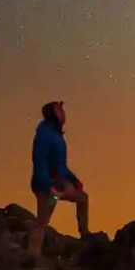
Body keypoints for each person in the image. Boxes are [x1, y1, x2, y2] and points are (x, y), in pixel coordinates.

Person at [29, 99, 89, 254]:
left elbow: (61, 167)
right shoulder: (45, 135)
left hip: (59, 184)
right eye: (60, 110)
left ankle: (85, 234)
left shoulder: (57, 136)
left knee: (82, 197)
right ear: (54, 114)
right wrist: (48, 186)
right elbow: (39, 162)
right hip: (47, 187)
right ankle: (31, 257)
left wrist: (74, 180)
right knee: (42, 221)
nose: (64, 114)